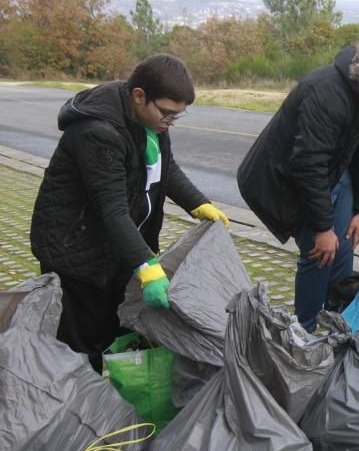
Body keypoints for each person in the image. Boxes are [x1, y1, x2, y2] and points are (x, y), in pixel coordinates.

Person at [30, 54, 230, 372]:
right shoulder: (97, 132)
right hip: (77, 253)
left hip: (116, 249)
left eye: (178, 116)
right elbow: (112, 208)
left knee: (118, 332)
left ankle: (112, 401)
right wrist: (147, 266)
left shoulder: (149, 122)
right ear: (139, 96)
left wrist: (198, 204)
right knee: (82, 347)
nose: (170, 122)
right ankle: (81, 410)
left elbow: (168, 169)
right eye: (166, 113)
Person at [237, 39, 359, 331]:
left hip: (338, 173)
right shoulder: (326, 92)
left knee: (344, 247)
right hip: (289, 178)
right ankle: (305, 334)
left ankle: (338, 324)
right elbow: (309, 165)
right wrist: (323, 229)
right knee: (320, 253)